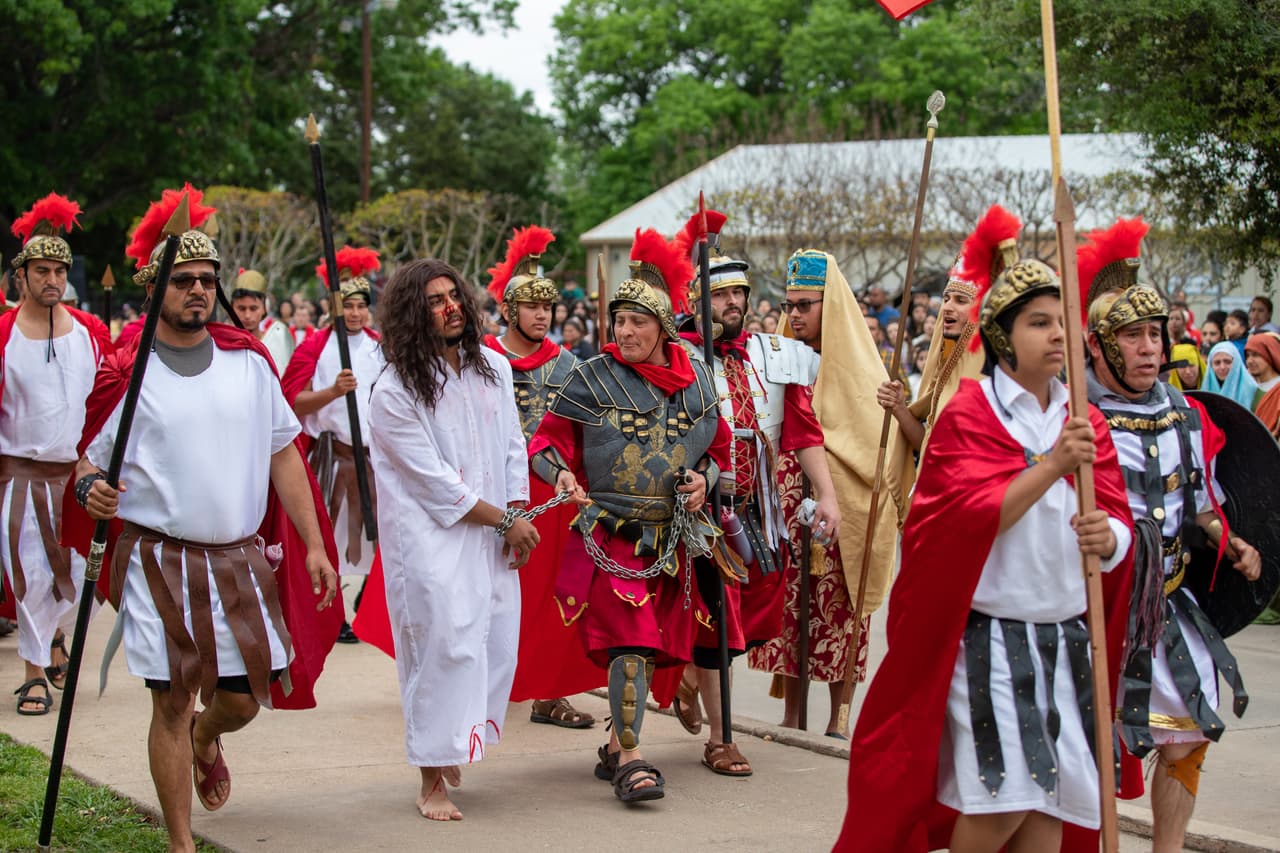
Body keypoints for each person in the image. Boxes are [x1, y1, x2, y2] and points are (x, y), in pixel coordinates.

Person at [835, 230, 1134, 853]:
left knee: (1048, 808)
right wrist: (1051, 466)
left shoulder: (1084, 417)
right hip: (993, 639)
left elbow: (1116, 519)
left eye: (1062, 322)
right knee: (1000, 803)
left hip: (1068, 638)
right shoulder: (973, 413)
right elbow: (959, 521)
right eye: (1038, 322)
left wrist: (1111, 538)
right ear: (1002, 336)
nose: (1057, 335)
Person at [70, 185, 340, 852]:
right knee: (168, 697)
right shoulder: (128, 373)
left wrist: (312, 543)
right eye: (183, 279)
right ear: (155, 285)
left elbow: (284, 454)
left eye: (206, 280)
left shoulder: (248, 363)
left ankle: (207, 733)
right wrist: (92, 491)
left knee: (245, 697)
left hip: (239, 559)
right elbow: (85, 465)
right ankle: (181, 842)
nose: (196, 289)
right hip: (157, 560)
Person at [527, 227, 730, 803]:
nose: (625, 331)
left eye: (637, 321)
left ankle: (617, 742)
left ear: (664, 328)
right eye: (618, 321)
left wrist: (702, 482)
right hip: (611, 533)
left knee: (649, 644)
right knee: (631, 640)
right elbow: (544, 443)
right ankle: (634, 763)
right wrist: (560, 474)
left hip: (674, 539)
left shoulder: (699, 385)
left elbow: (720, 455)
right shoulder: (590, 377)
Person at [1080, 217, 1260, 853]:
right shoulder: (1079, 418)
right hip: (1097, 606)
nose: (1150, 347)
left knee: (1187, 734)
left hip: (1171, 598)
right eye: (1132, 335)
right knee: (1090, 742)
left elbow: (1201, 498)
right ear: (1099, 345)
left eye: (1155, 333)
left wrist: (1229, 538)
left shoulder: (1186, 410)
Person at [671, 210, 841, 776]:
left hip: (759, 514)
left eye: (739, 295)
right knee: (716, 623)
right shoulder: (678, 360)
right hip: (697, 512)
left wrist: (829, 496)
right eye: (721, 296)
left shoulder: (775, 355)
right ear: (699, 301)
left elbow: (802, 432)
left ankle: (694, 679)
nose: (733, 305)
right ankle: (722, 740)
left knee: (750, 622)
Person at [368, 258, 536, 822]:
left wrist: (516, 510)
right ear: (414, 314)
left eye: (453, 295)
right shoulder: (393, 390)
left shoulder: (493, 366)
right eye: (435, 300)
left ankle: (455, 741)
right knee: (440, 650)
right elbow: (433, 484)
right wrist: (501, 520)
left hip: (491, 534)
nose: (450, 306)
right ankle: (430, 778)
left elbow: (513, 445)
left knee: (493, 644)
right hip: (430, 544)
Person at [748, 250, 908, 738]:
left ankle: (839, 724)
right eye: (790, 305)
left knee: (841, 617)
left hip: (846, 512)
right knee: (791, 614)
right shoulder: (777, 358)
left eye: (806, 305)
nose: (794, 314)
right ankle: (792, 720)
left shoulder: (865, 372)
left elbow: (880, 445)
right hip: (784, 505)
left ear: (829, 307)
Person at [483, 225, 601, 730]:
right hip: (494, 490)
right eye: (530, 307)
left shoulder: (569, 364)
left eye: (546, 308)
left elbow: (582, 427)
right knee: (489, 593)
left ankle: (549, 693)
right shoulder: (483, 359)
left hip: (553, 492)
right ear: (510, 310)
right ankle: (482, 686)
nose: (540, 316)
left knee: (557, 597)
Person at [2, 193, 112, 716]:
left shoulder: (91, 333)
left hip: (78, 478)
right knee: (28, 574)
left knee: (72, 574)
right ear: (20, 275)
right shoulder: (2, 334)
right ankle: (32, 674)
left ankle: (54, 640)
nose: (51, 279)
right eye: (40, 270)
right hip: (19, 477)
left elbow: (107, 401)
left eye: (59, 270)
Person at [282, 247, 384, 644]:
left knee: (380, 537)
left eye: (361, 306)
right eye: (348, 306)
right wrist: (331, 391)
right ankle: (335, 611)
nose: (355, 314)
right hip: (332, 456)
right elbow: (293, 400)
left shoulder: (382, 348)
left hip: (376, 458)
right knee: (331, 535)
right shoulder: (314, 347)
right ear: (333, 307)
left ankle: (367, 603)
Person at [877, 205, 1010, 456]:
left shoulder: (1001, 377)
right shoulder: (945, 373)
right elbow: (929, 450)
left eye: (960, 301)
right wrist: (900, 408)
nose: (947, 308)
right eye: (947, 298)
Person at [231, 268, 294, 374]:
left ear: (264, 309)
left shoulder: (276, 343)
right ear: (232, 308)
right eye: (241, 308)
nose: (247, 315)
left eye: (253, 308)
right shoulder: (222, 344)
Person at [1203, 340, 1260, 410]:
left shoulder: (1251, 389)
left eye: (1227, 362)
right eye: (1217, 363)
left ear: (1236, 363)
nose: (1222, 367)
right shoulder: (1206, 388)